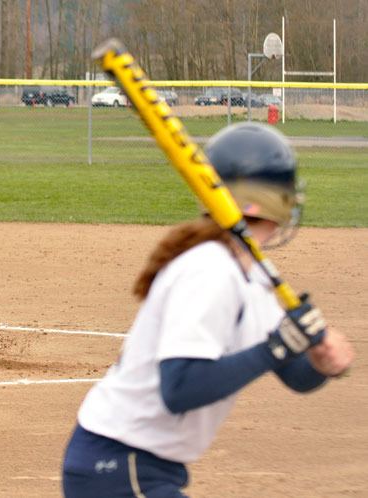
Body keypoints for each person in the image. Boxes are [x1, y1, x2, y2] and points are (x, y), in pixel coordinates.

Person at [61, 123, 354, 497]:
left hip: (140, 467)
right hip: (120, 465)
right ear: (277, 198)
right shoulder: (210, 269)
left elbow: (295, 375)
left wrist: (319, 361)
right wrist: (278, 346)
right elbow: (179, 388)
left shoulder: (254, 273)